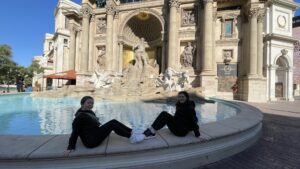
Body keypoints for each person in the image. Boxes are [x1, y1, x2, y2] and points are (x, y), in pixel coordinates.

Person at [64, 96, 144, 156]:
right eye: (88, 103)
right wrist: (71, 147)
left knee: (113, 121)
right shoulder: (80, 117)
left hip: (94, 134)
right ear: (82, 104)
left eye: (92, 103)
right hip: (91, 141)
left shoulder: (89, 112)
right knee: (112, 124)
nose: (91, 105)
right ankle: (132, 138)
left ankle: (132, 131)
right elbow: (75, 132)